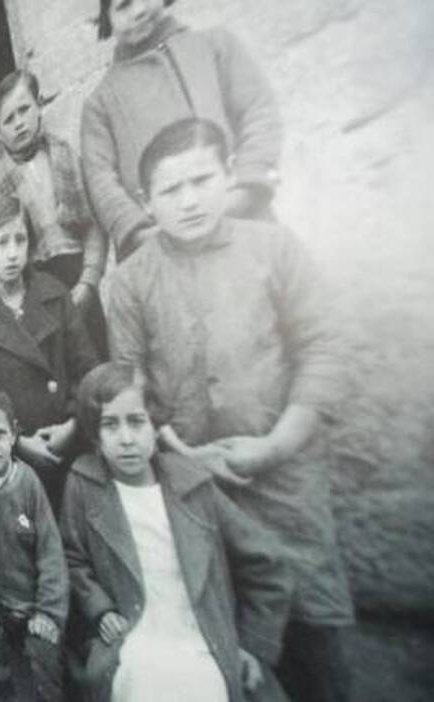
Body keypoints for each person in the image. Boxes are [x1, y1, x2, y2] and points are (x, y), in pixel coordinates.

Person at [107, 118, 353, 701]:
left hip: (287, 485)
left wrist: (276, 444)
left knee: (318, 655)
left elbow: (324, 349)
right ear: (147, 202)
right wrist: (178, 454)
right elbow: (130, 387)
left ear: (228, 175)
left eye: (201, 180)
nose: (189, 201)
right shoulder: (131, 282)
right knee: (226, 653)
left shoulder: (273, 248)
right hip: (197, 498)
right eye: (170, 191)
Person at [60, 361, 293, 701]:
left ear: (156, 427)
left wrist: (254, 645)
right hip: (134, 635)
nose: (126, 439)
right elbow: (72, 559)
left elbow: (266, 562)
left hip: (200, 634)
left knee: (203, 685)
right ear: (95, 436)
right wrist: (101, 609)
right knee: (139, 683)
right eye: (110, 425)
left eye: (137, 422)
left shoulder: (191, 483)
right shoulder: (85, 484)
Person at [81, 0, 282, 261]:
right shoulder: (101, 104)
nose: (139, 11)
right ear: (107, 19)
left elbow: (258, 114)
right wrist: (144, 233)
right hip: (166, 254)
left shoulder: (215, 47)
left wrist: (244, 191)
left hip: (244, 223)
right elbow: (101, 180)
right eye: (123, 5)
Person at [0, 196, 99, 512]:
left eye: (20, 240)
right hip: (16, 460)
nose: (12, 253)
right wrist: (18, 441)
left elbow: (86, 367)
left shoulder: (55, 294)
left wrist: (74, 424)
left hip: (70, 445)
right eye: (2, 243)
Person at [0, 70, 107, 353]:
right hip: (38, 292)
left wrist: (88, 283)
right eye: (9, 119)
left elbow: (93, 226)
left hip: (79, 276)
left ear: (39, 105)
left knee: (98, 362)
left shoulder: (65, 156)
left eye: (24, 110)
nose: (19, 123)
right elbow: (3, 255)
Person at [0, 385, 67, 702]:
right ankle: (4, 692)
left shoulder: (29, 482)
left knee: (46, 659)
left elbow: (51, 554)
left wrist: (48, 612)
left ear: (14, 435)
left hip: (32, 602)